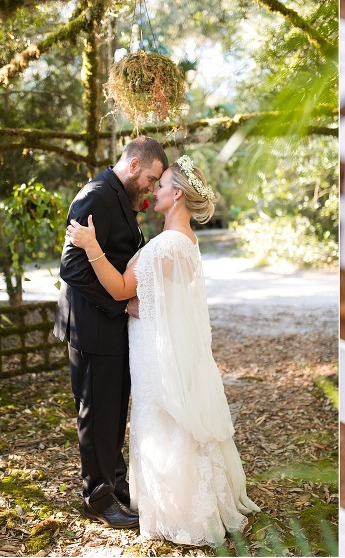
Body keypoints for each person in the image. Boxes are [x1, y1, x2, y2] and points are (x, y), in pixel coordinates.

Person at [66, 155, 260, 545]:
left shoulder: (167, 245)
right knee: (168, 421)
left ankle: (178, 507)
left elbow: (122, 289)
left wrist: (90, 245)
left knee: (161, 420)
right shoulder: (184, 241)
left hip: (155, 351)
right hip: (163, 347)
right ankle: (181, 500)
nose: (154, 190)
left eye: (162, 184)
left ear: (178, 195)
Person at [54, 136, 169, 529]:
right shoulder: (96, 196)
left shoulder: (120, 196)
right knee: (97, 414)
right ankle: (97, 498)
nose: (153, 189)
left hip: (111, 329)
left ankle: (116, 485)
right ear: (135, 165)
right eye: (153, 179)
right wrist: (122, 304)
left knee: (114, 412)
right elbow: (71, 269)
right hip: (91, 329)